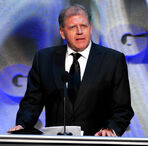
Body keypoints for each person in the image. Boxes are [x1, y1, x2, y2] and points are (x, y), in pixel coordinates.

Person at [8, 4, 134, 136]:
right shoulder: (44, 59)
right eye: (73, 27)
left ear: (91, 28)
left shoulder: (112, 60)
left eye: (84, 26)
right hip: (57, 144)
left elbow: (123, 109)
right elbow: (32, 102)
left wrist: (111, 129)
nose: (80, 31)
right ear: (62, 32)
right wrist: (22, 124)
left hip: (97, 143)